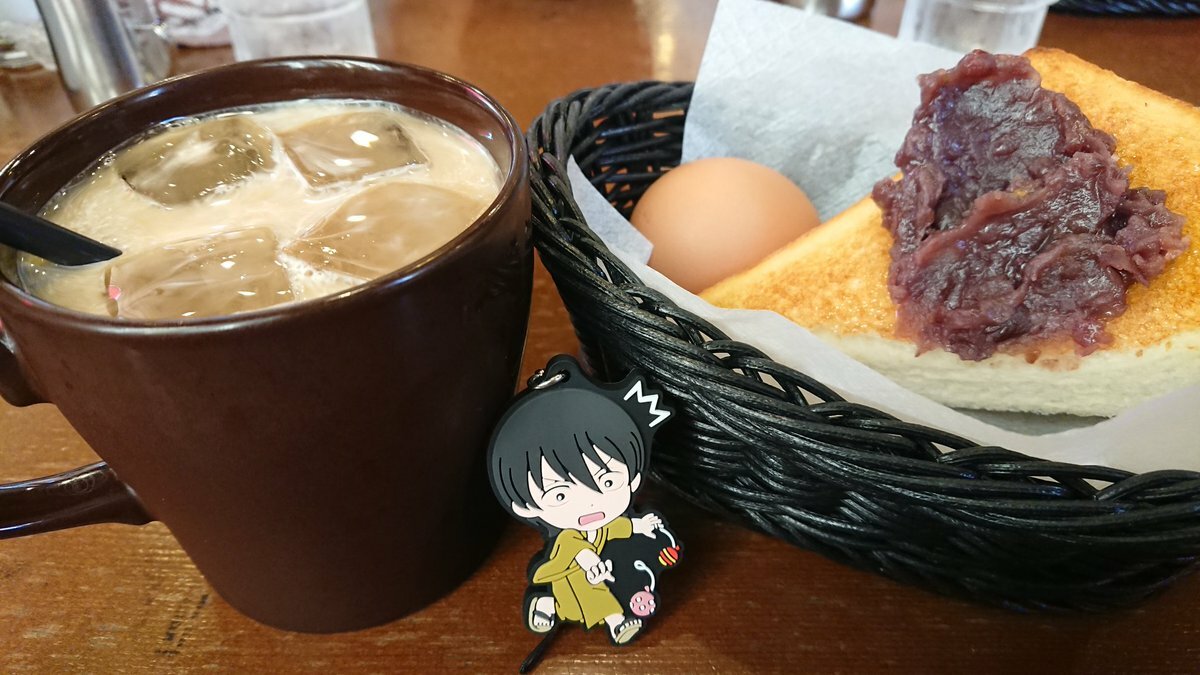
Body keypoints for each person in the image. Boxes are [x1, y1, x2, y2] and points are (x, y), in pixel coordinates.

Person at [488, 359, 673, 645]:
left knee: (580, 599)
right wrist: (588, 560)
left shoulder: (604, 525)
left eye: (607, 482)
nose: (589, 504)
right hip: (571, 575)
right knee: (595, 596)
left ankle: (548, 605)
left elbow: (616, 528)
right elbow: (574, 547)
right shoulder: (568, 539)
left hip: (588, 580)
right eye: (559, 495)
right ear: (526, 507)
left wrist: (639, 526)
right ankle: (615, 620)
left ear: (634, 478)